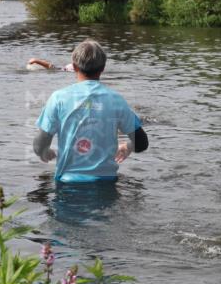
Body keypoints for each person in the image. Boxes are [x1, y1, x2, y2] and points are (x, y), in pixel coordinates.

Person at [33, 40, 148, 183]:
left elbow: (38, 145)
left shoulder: (58, 98)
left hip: (67, 184)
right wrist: (128, 146)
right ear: (103, 68)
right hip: (106, 184)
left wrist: (44, 152)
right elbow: (142, 142)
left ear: (74, 67)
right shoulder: (116, 100)